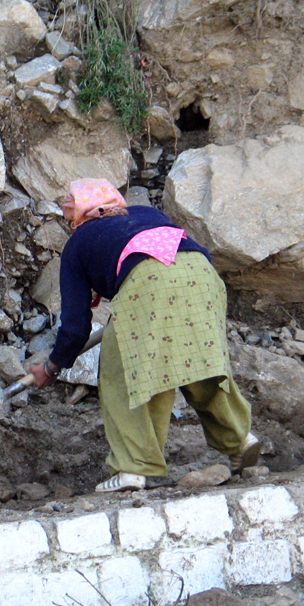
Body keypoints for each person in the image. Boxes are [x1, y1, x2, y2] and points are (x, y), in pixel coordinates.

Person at [30, 179, 259, 493]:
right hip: (202, 276)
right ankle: (240, 440)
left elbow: (75, 326)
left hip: (149, 284)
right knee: (200, 363)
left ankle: (133, 469)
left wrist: (53, 366)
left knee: (125, 373)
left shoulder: (79, 242)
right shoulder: (145, 213)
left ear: (76, 216)